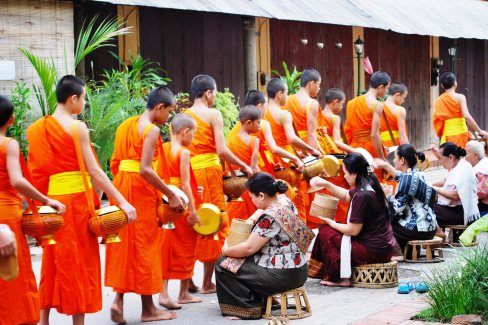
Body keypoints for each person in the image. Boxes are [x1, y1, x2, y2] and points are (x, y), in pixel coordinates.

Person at [26, 76, 137, 325]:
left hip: (51, 203)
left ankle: (43, 321)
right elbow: (95, 172)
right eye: (84, 98)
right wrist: (121, 201)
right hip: (76, 204)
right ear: (73, 98)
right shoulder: (77, 128)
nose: (84, 104)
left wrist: (41, 204)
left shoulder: (36, 129)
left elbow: (37, 172)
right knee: (79, 263)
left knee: (53, 261)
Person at [105, 86, 185, 323]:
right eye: (169, 112)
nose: (168, 117)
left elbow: (115, 162)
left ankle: (118, 303)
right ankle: (148, 310)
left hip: (122, 186)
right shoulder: (151, 131)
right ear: (159, 108)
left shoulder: (125, 126)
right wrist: (169, 193)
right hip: (140, 189)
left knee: (125, 246)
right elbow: (146, 169)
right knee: (146, 247)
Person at [184, 74, 253, 294]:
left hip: (189, 173)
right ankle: (206, 282)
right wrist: (245, 167)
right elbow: (222, 150)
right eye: (214, 93)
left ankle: (186, 279)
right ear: (208, 93)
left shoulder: (183, 116)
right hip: (209, 173)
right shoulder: (213, 114)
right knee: (213, 223)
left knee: (192, 222)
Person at [0, 95, 65, 325]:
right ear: (11, 120)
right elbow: (17, 181)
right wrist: (45, 199)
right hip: (6, 218)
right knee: (15, 280)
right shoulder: (8, 144)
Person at [215, 172, 312, 320]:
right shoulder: (285, 201)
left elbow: (249, 248)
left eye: (252, 197)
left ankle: (247, 308)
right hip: (300, 270)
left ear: (261, 195)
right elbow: (262, 209)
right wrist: (252, 219)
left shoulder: (269, 218)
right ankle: (264, 299)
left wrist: (227, 250)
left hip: (282, 275)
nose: (252, 201)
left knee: (223, 264)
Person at [308, 153, 396, 287]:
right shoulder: (370, 184)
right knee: (330, 230)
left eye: (345, 173)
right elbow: (345, 195)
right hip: (385, 247)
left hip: (373, 250)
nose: (344, 176)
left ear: (354, 174)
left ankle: (341, 278)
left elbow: (353, 230)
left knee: (325, 233)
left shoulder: (362, 195)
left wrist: (331, 222)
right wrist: (326, 184)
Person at [159, 113, 203, 309]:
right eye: (193, 133)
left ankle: (163, 292)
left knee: (167, 248)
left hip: (167, 202)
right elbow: (185, 184)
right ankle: (183, 293)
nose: (193, 138)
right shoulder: (184, 152)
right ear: (185, 132)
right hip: (182, 204)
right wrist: (193, 211)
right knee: (187, 247)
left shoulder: (164, 149)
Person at [265, 78, 321, 223]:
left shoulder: (262, 113)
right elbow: (292, 139)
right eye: (286, 93)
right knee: (292, 197)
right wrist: (311, 150)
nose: (287, 97)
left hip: (268, 160)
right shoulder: (284, 114)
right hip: (286, 161)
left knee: (272, 199)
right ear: (279, 94)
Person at [374, 145, 437, 255]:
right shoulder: (418, 173)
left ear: (402, 160)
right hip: (430, 228)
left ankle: (397, 254)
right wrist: (385, 165)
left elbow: (396, 209)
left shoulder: (406, 179)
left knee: (383, 222)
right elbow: (400, 177)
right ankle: (407, 251)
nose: (393, 160)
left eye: (395, 157)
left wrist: (387, 196)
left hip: (417, 230)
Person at [227, 90, 304, 173]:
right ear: (260, 106)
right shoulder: (263, 124)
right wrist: (294, 158)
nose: (266, 110)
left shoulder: (236, 128)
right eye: (266, 106)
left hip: (235, 174)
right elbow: (273, 149)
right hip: (259, 169)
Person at [319, 88, 352, 224]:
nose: (342, 107)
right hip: (336, 159)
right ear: (335, 102)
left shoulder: (318, 115)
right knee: (341, 190)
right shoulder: (335, 118)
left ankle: (326, 219)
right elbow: (337, 141)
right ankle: (341, 220)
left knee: (327, 190)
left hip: (323, 158)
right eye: (342, 104)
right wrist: (353, 150)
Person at [344, 71, 391, 164]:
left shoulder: (351, 103)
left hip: (354, 148)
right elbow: (374, 135)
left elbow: (347, 130)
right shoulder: (377, 105)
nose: (387, 92)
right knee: (372, 177)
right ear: (381, 87)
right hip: (370, 149)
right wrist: (382, 157)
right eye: (387, 88)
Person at [227, 105, 262, 223]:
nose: (260, 126)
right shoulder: (254, 140)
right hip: (250, 186)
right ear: (249, 123)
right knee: (252, 220)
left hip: (235, 187)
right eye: (258, 122)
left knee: (238, 220)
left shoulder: (231, 141)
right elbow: (254, 166)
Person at [431, 142, 480, 227]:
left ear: (451, 157)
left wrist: (435, 189)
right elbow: (445, 180)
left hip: (462, 212)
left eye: (441, 158)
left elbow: (455, 196)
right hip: (457, 209)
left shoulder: (463, 169)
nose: (440, 162)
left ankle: (439, 234)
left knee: (428, 210)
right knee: (429, 205)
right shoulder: (458, 165)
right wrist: (429, 184)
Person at [433, 73, 487, 149]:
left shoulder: (438, 101)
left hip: (447, 136)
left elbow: (437, 121)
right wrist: (479, 131)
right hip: (460, 135)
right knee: (461, 158)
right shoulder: (460, 97)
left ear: (442, 85)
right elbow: (467, 116)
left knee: (449, 159)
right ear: (455, 83)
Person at [284, 68, 324, 152]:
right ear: (311, 83)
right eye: (318, 84)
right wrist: (314, 156)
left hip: (291, 148)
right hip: (306, 146)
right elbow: (311, 134)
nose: (319, 88)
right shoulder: (312, 103)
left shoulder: (287, 100)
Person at [464, 140, 488, 215]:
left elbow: (481, 192)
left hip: (484, 206)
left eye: (466, 153)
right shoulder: (482, 164)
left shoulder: (481, 169)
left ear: (475, 155)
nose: (465, 157)